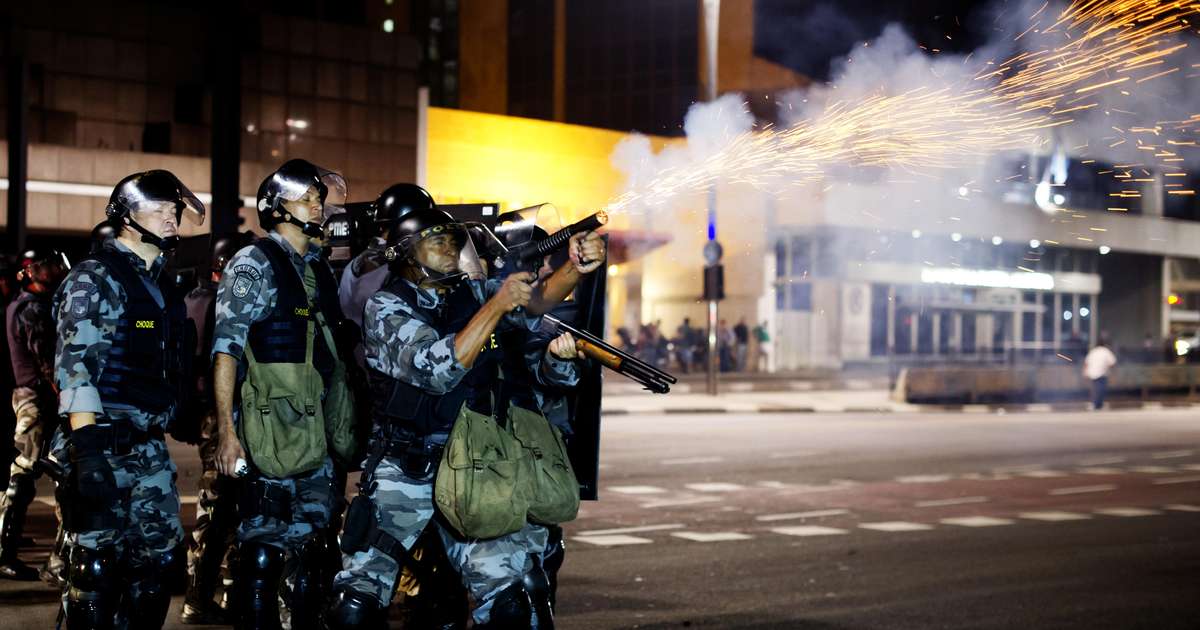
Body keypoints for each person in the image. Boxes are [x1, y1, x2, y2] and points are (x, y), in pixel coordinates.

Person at [325, 206, 604, 628]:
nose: (450, 248)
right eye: (436, 240)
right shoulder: (385, 306)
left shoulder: (472, 294)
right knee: (355, 606)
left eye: (454, 240)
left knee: (511, 602)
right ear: (405, 253)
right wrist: (496, 303)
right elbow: (436, 369)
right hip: (406, 469)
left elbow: (536, 301)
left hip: (472, 466)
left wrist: (574, 268)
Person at [211, 159, 358, 630]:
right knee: (262, 556)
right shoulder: (254, 263)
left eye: (319, 197)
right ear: (276, 208)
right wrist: (227, 435)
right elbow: (226, 350)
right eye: (306, 198)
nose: (318, 205)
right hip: (268, 431)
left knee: (317, 551)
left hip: (316, 432)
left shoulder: (316, 266)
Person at [54, 169, 205, 628]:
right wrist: (88, 455)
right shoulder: (96, 279)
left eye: (174, 210)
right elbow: (75, 368)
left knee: (158, 567)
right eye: (158, 210)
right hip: (100, 444)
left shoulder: (157, 284)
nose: (171, 218)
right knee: (97, 571)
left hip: (147, 446)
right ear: (125, 218)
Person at [180, 233, 253, 624]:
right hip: (218, 415)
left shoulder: (197, 298)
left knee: (222, 500)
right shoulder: (214, 303)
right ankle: (201, 593)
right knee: (219, 501)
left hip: (207, 413)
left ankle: (207, 590)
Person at [0, 249, 69, 582]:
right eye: (46, 265)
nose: (54, 270)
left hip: (35, 398)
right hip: (36, 400)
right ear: (30, 272)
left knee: (29, 476)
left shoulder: (27, 304)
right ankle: (4, 553)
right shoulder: (32, 309)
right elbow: (47, 362)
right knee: (22, 477)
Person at [1083, 336, 1117, 410]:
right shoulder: (1106, 351)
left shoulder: (1093, 351)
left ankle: (1096, 404)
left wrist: (1085, 372)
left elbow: (1086, 362)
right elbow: (1113, 362)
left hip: (1092, 372)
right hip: (1102, 372)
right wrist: (1109, 369)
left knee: (1095, 388)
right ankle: (1097, 404)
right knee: (1101, 389)